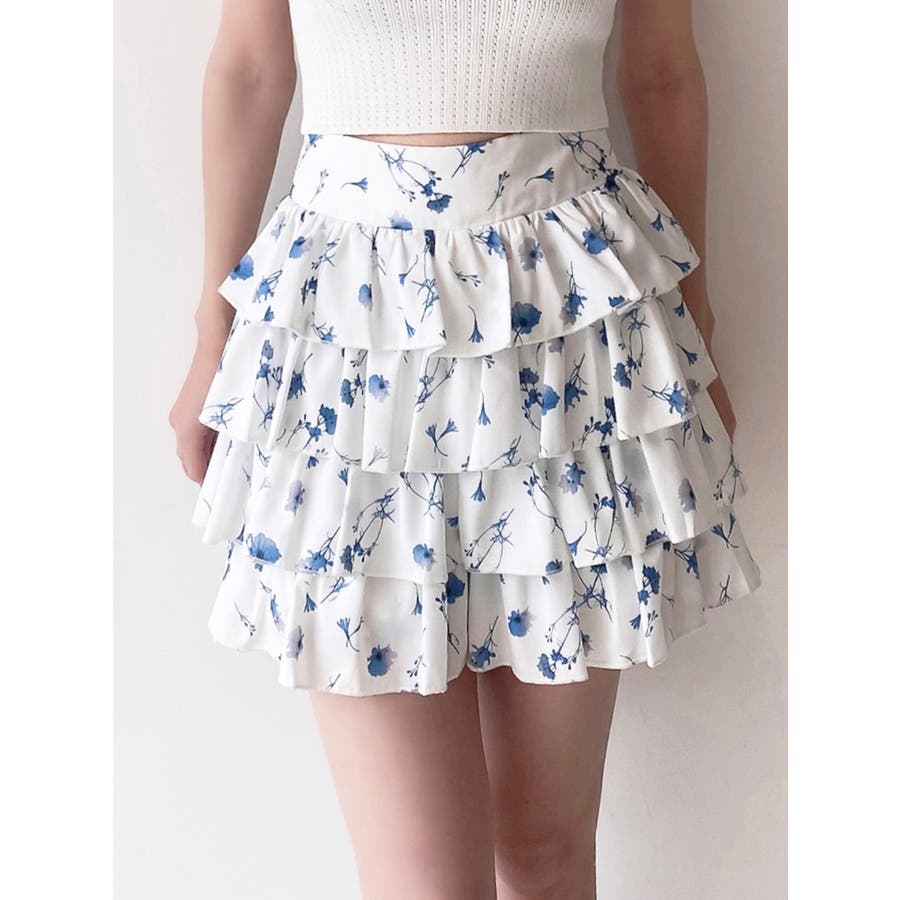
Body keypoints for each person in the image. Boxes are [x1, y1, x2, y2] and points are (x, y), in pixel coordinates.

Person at [169, 1, 761, 897]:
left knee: (545, 853)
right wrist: (212, 330)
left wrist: (693, 320)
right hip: (346, 353)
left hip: (573, 345)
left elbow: (662, 75)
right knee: (423, 880)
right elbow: (249, 71)